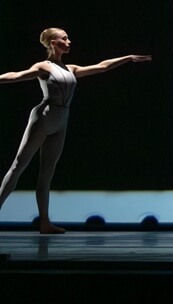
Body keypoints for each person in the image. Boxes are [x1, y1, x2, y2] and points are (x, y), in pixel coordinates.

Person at [0, 27, 152, 234]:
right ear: (53, 42)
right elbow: (16, 76)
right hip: (43, 117)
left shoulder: (70, 68)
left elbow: (101, 66)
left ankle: (44, 222)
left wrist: (127, 57)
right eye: (64, 38)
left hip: (61, 120)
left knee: (47, 173)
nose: (69, 41)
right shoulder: (44, 66)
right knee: (19, 165)